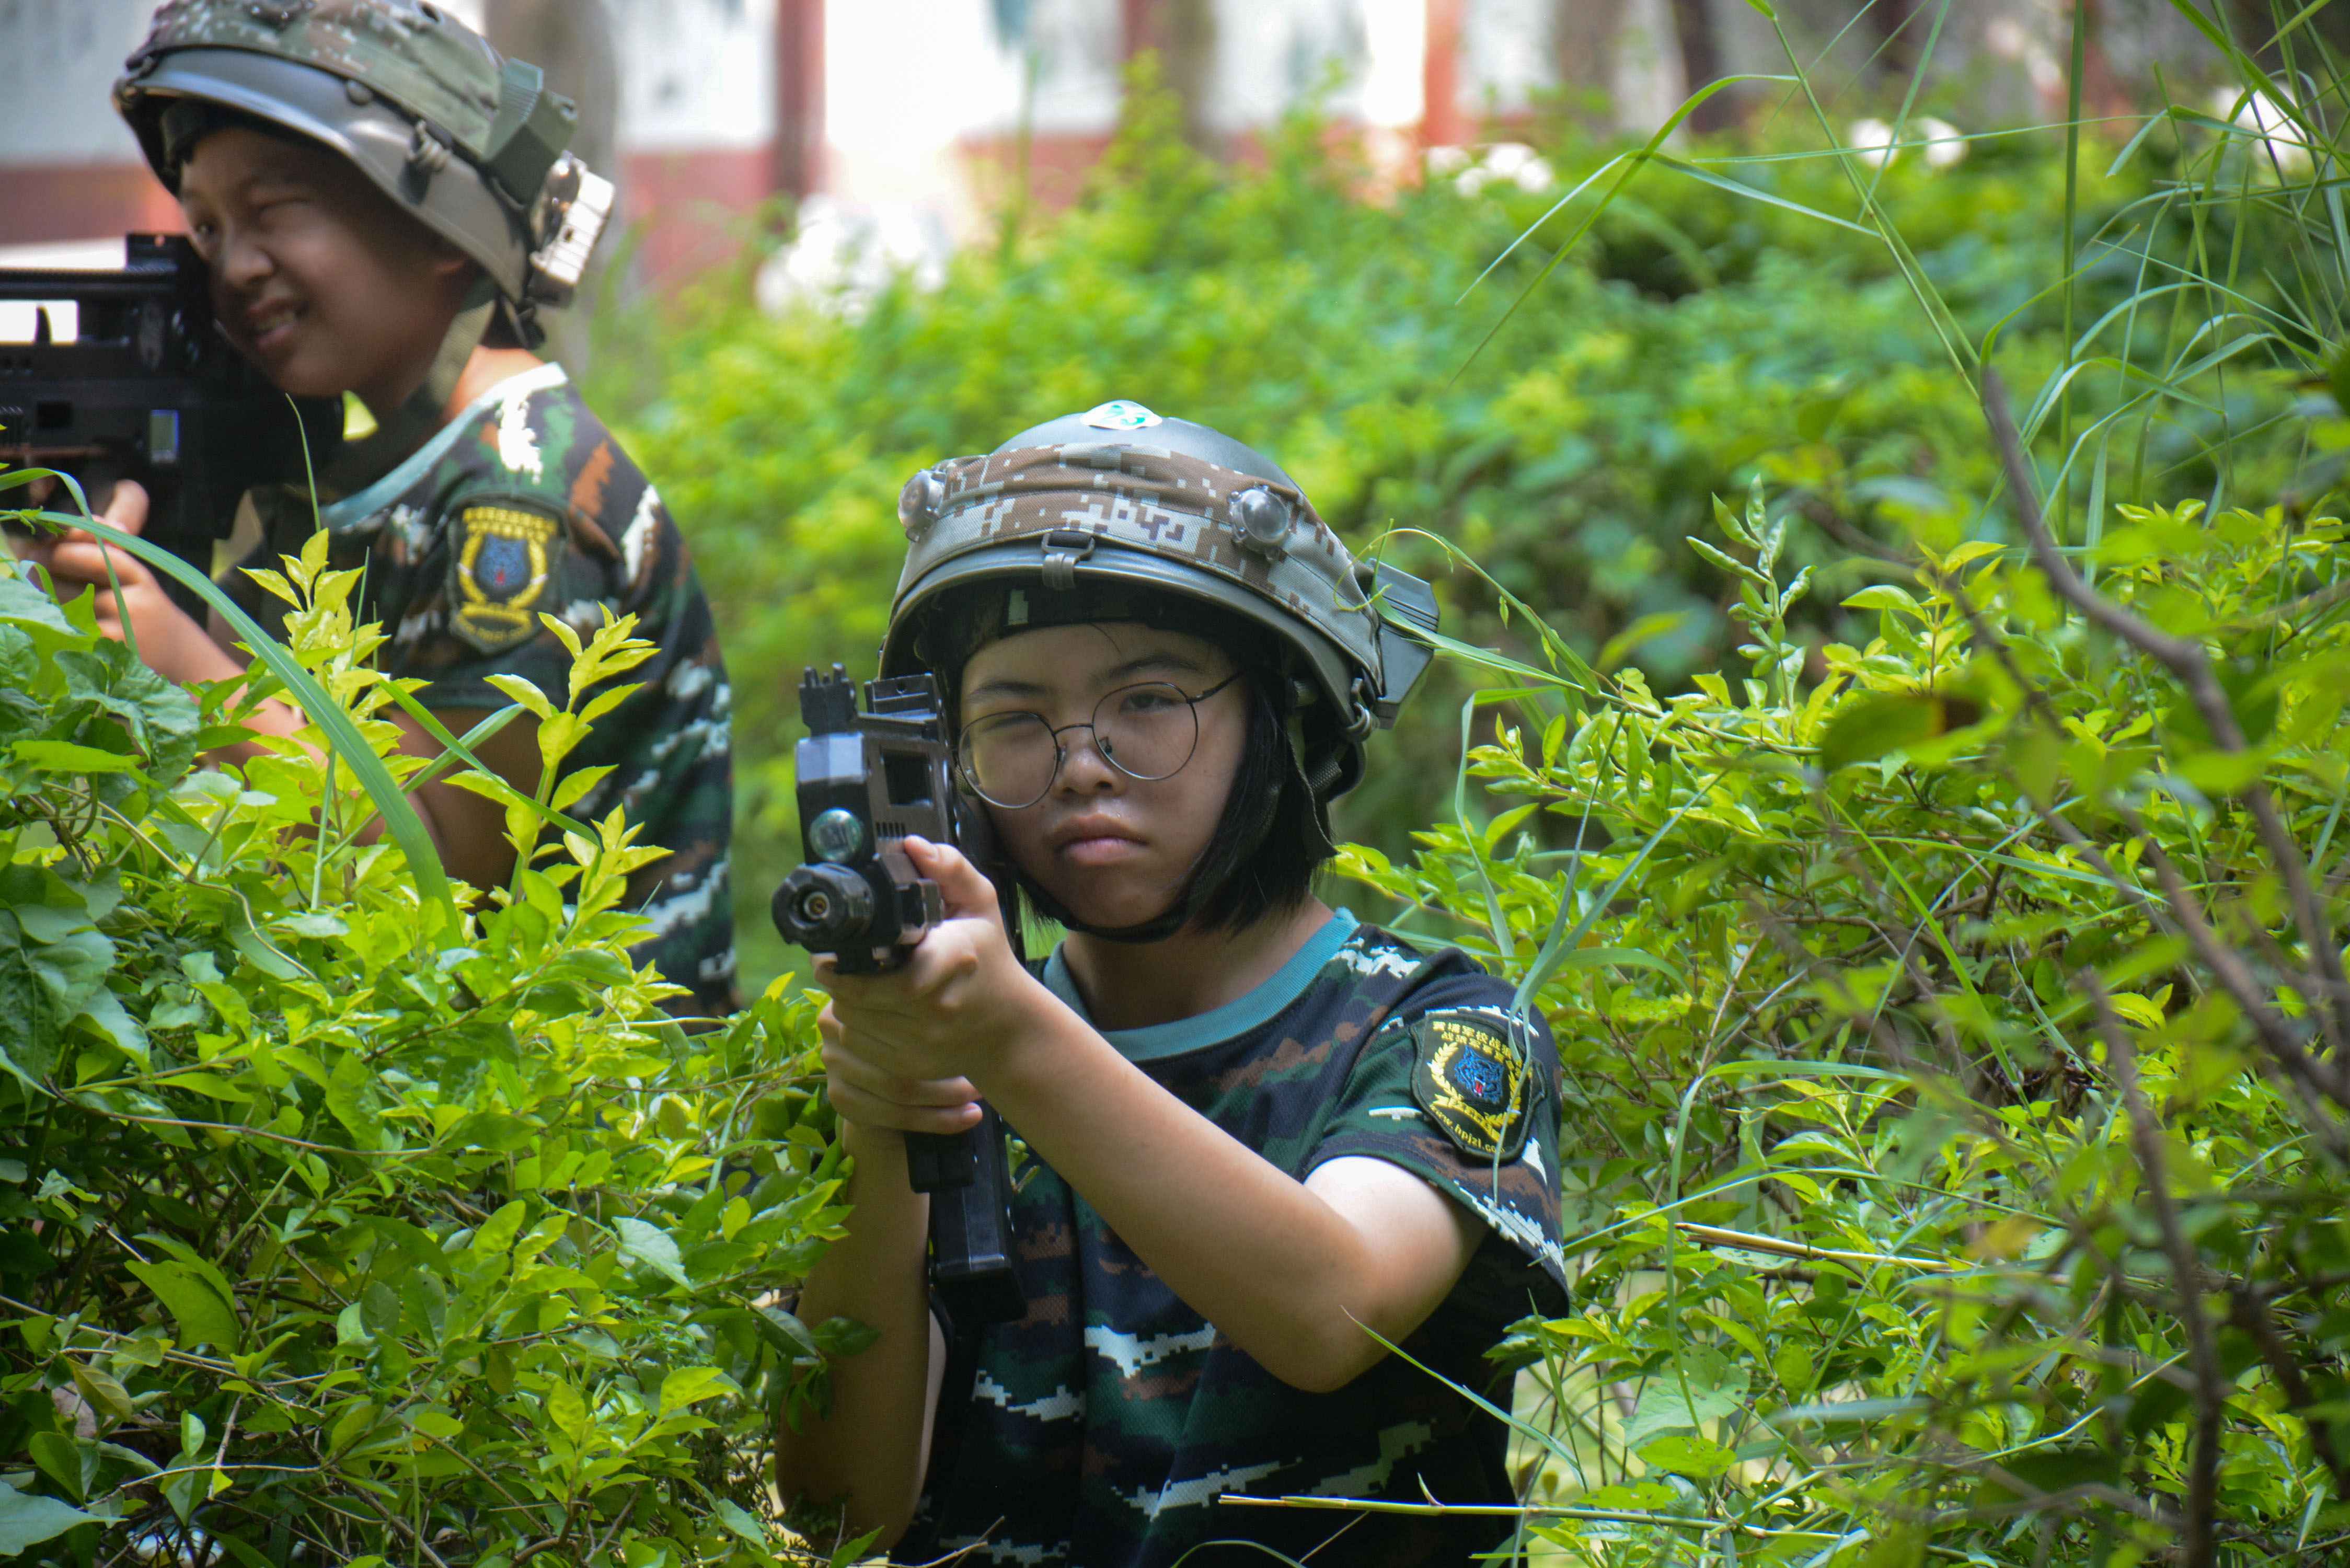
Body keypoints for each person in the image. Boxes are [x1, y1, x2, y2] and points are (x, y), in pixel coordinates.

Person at [775, 401, 1571, 1566]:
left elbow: (1329, 1309)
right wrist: (886, 1118)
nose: (1084, 762)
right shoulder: (926, 1053)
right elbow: (844, 1514)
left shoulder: (1438, 1030)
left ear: (1284, 719)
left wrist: (1004, 1035)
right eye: (1014, 718)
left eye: (1149, 702)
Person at [14, 0, 736, 1015]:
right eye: (210, 227)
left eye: (276, 209)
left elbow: (435, 875)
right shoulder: (366, 471)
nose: (232, 266)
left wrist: (168, 658)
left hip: (576, 1142)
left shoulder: (512, 503)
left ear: (440, 223)